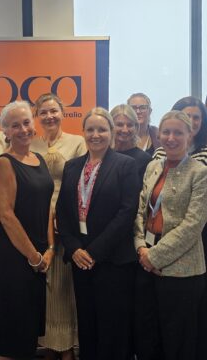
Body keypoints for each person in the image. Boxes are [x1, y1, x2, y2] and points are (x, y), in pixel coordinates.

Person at [55, 107, 141, 360]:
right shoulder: (72, 167)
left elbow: (127, 213)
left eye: (102, 129)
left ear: (111, 132)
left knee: (113, 328)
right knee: (87, 323)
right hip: (80, 259)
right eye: (90, 129)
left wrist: (93, 251)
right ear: (83, 132)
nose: (96, 135)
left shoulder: (126, 165)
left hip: (112, 260)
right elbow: (63, 212)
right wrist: (74, 249)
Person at [134, 110, 207, 360]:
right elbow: (140, 212)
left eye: (178, 132)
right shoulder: (152, 166)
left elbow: (192, 226)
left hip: (182, 272)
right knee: (148, 337)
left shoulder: (201, 173)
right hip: (145, 262)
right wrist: (140, 248)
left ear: (190, 135)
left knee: (177, 342)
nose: (170, 138)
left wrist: (154, 257)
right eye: (166, 132)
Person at [155, 97, 207, 360]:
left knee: (201, 308)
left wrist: (170, 247)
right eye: (185, 116)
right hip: (161, 240)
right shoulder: (160, 154)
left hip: (200, 239)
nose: (190, 122)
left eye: (196, 117)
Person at [0, 101, 54, 359]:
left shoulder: (38, 159)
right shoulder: (4, 162)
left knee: (28, 334)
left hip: (38, 259)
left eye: (26, 122)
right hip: (14, 260)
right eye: (15, 125)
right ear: (5, 130)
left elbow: (47, 206)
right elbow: (6, 215)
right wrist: (33, 256)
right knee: (10, 338)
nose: (23, 129)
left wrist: (49, 249)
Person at [30, 93, 86, 360]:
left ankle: (67, 348)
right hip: (36, 223)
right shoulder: (30, 144)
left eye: (54, 111)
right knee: (45, 286)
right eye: (43, 112)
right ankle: (50, 345)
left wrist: (63, 217)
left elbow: (81, 186)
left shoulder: (78, 143)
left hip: (65, 223)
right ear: (36, 116)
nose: (49, 116)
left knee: (64, 289)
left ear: (63, 112)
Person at [110, 104, 152, 181]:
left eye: (129, 125)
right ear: (110, 126)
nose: (125, 130)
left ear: (136, 127)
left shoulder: (145, 159)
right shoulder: (103, 155)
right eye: (120, 125)